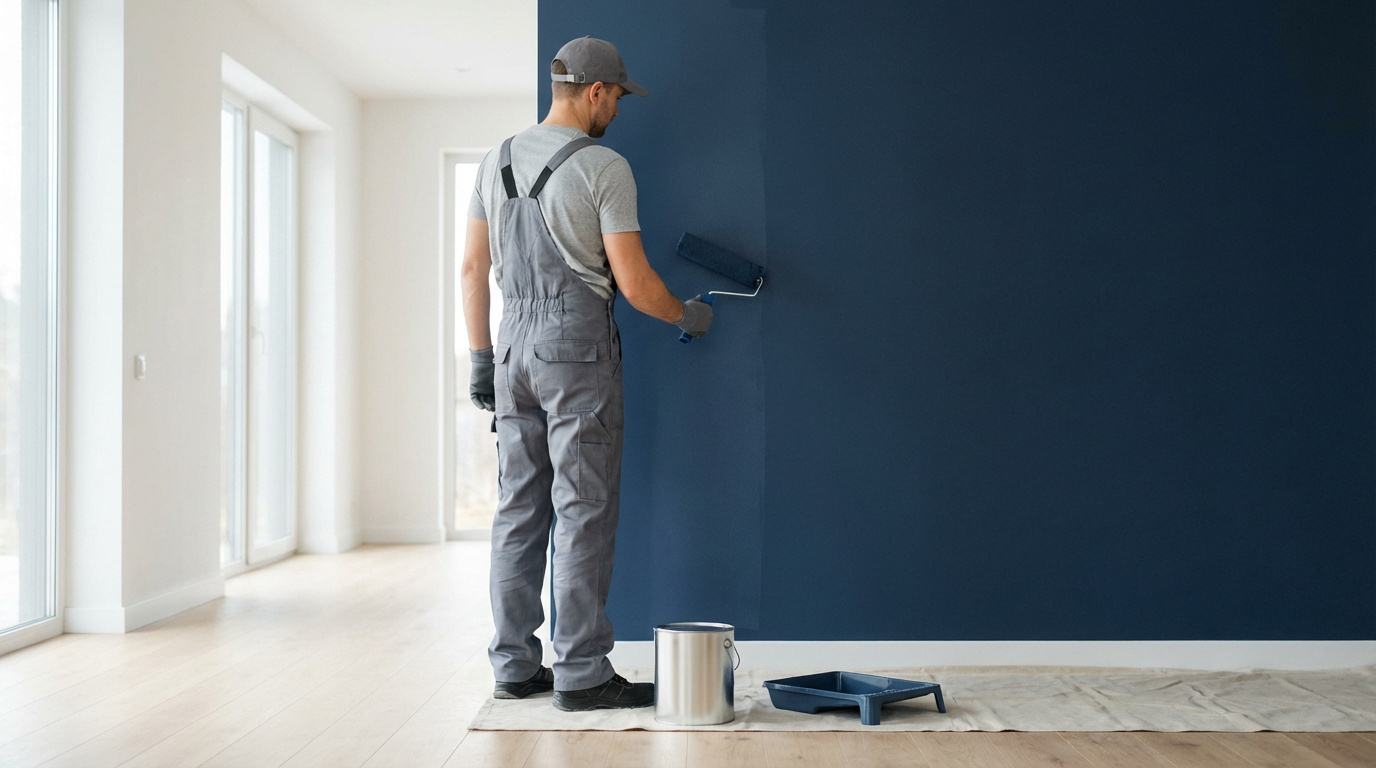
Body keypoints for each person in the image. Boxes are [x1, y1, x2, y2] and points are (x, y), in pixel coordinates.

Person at [461, 36, 713, 711]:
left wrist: (481, 360)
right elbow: (635, 286)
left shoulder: (494, 161)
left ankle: (514, 665)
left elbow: (471, 269)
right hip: (574, 347)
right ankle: (580, 673)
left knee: (518, 509)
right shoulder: (604, 165)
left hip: (512, 342)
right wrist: (689, 317)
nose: (619, 112)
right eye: (618, 98)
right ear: (596, 92)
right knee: (583, 508)